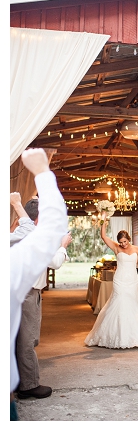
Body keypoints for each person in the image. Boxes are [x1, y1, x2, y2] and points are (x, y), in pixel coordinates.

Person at [10, 149, 68, 420]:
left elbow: (25, 221)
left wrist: (17, 204)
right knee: (27, 340)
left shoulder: (23, 229)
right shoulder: (35, 234)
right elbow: (55, 261)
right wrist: (63, 245)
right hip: (28, 293)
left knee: (22, 337)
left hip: (20, 292)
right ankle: (29, 385)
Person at [84, 218, 138, 349]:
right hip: (120, 280)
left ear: (128, 239)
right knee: (120, 303)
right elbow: (103, 236)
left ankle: (135, 336)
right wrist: (103, 221)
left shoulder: (136, 249)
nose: (123, 244)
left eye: (125, 241)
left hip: (132, 280)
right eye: (121, 242)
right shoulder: (116, 247)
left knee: (134, 305)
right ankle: (116, 335)